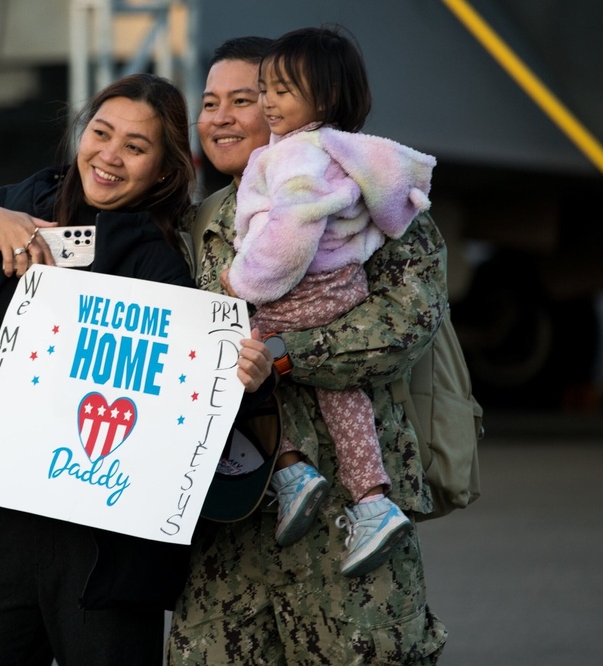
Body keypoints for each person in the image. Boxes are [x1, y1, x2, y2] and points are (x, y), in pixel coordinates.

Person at [0, 72, 271, 666]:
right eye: (101, 132)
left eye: (135, 148)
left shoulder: (162, 266)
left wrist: (244, 377)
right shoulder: (16, 209)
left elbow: (185, 415)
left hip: (102, 546)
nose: (109, 156)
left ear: (163, 172)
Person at [168, 33, 448, 664]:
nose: (225, 116)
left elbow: (408, 320)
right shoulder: (196, 223)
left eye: (249, 97)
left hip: (348, 530)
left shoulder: (368, 204)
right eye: (210, 103)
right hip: (232, 533)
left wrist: (287, 354)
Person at [221, 27, 436, 576]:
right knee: (345, 402)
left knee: (234, 352)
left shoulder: (296, 155)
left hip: (299, 290)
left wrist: (244, 279)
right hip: (340, 288)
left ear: (328, 97)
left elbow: (292, 231)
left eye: (281, 91)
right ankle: (371, 498)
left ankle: (290, 467)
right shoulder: (345, 153)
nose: (268, 102)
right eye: (264, 89)